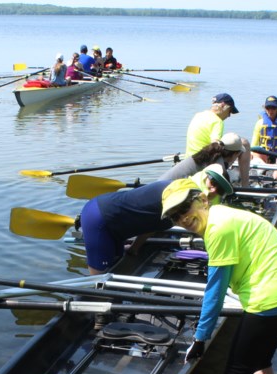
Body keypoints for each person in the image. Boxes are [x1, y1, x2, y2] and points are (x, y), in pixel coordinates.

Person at [160, 178, 277, 374]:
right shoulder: (224, 215)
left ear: (203, 199)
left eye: (185, 208)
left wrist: (200, 338)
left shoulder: (217, 229)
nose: (183, 219)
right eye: (175, 217)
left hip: (269, 301)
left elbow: (215, 291)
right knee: (261, 360)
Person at [79, 166, 233, 275]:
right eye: (213, 185)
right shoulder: (177, 196)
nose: (213, 191)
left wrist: (135, 248)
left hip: (118, 227)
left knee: (117, 264)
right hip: (99, 217)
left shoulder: (186, 199)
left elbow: (152, 223)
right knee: (99, 279)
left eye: (218, 191)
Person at [185, 94, 251, 186]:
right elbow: (215, 145)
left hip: (189, 160)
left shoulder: (198, 115)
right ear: (223, 106)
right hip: (204, 164)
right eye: (230, 111)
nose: (229, 116)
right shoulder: (217, 121)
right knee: (244, 143)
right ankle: (245, 185)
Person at [159, 133, 249, 182]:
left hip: (160, 183)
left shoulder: (209, 153)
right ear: (234, 154)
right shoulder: (218, 167)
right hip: (168, 189)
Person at [250, 95, 277, 179]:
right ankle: (255, 176)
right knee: (255, 151)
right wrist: (251, 154)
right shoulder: (260, 123)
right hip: (265, 154)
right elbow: (254, 143)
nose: (271, 111)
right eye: (268, 108)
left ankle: (273, 178)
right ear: (265, 108)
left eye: (273, 108)